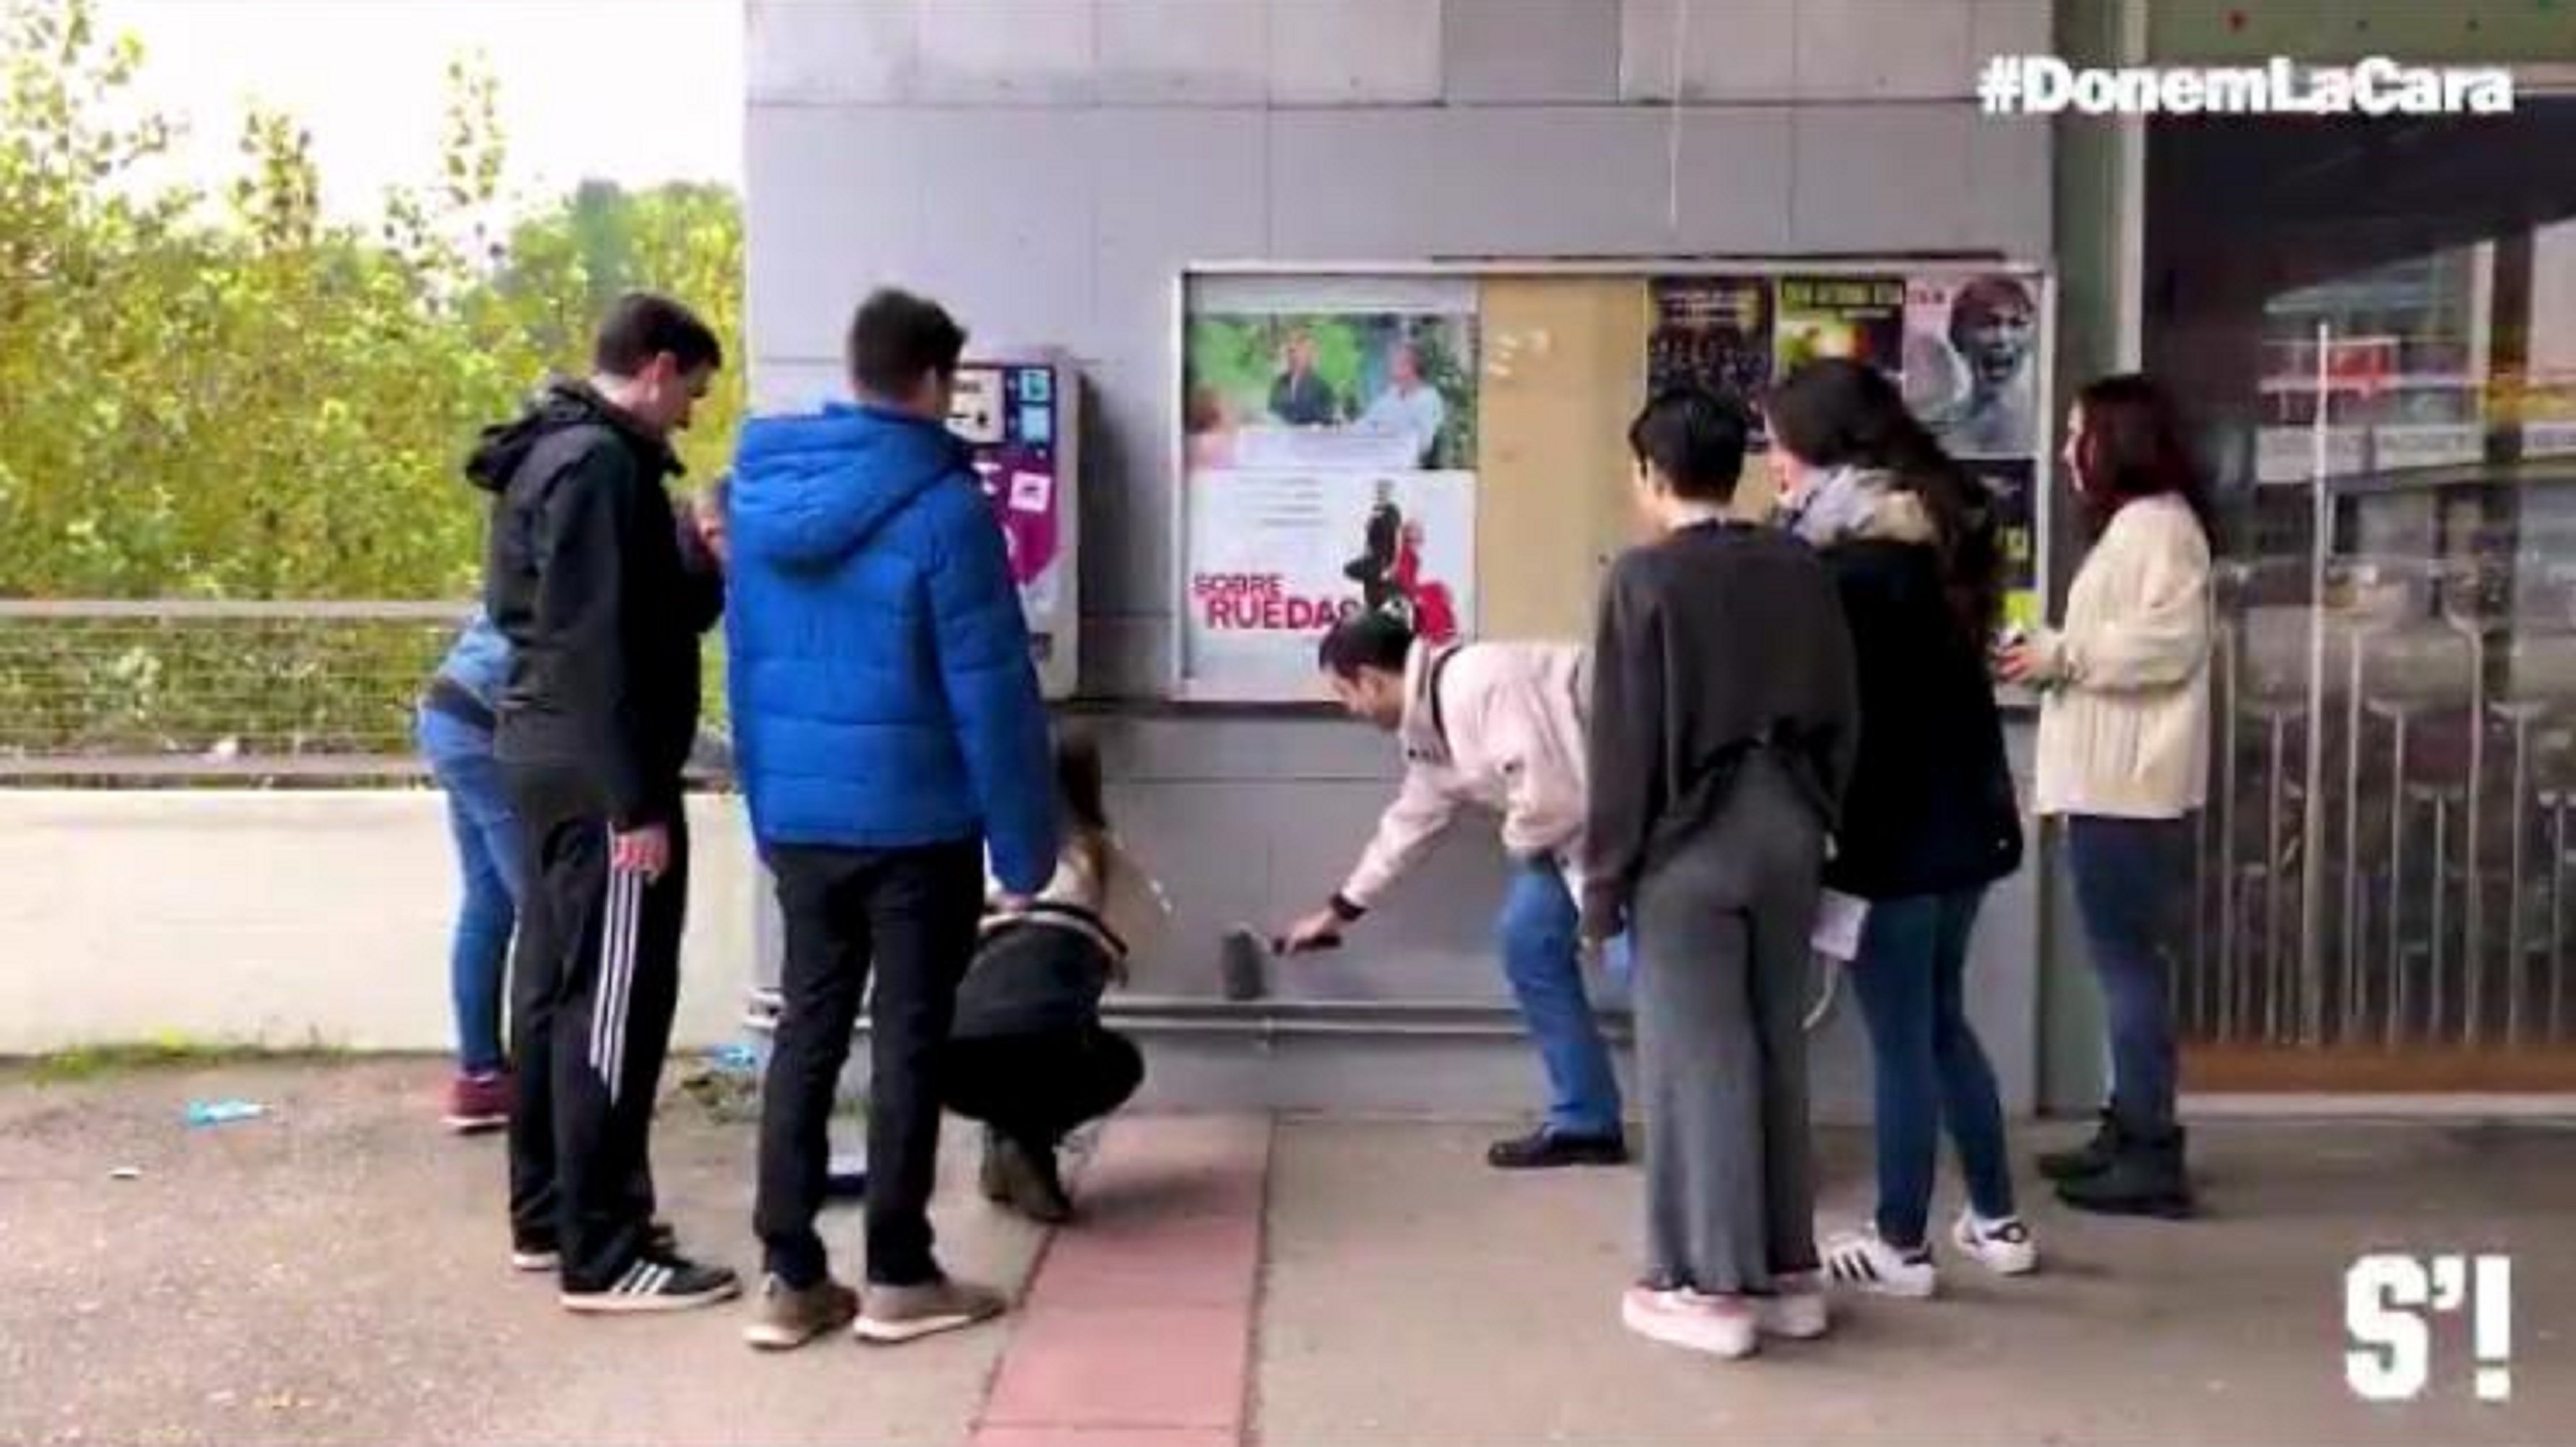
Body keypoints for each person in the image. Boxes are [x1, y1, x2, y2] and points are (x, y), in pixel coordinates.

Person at [729, 287, 1057, 1351]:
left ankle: (787, 1277)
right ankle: (899, 1275)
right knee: (909, 1045)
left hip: (803, 824)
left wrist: (771, 807)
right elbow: (992, 690)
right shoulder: (945, 508)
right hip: (916, 829)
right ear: (935, 382)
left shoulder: (762, 498)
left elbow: (745, 669)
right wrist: (1026, 847)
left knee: (807, 1034)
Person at [473, 292, 733, 1313]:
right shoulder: (601, 467)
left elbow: (586, 614)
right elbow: (598, 641)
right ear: (660, 368)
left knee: (550, 988)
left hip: (541, 755)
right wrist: (637, 805)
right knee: (613, 1004)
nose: (691, 418)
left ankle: (550, 1214)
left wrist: (694, 570)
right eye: (694, 395)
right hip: (600, 771)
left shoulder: (547, 453)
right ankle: (607, 1246)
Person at [1585, 386, 1858, 1361]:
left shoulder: (1642, 581)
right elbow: (1842, 707)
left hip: (1686, 842)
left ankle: (1706, 1284)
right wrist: (1819, 813)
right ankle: (1789, 1272)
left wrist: (1603, 884)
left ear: (1654, 475)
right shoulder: (1797, 566)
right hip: (1790, 823)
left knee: (1697, 1057)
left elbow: (1623, 746)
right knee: (1777, 1042)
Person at [1763, 358, 2036, 1298]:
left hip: (1893, 842)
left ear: (1818, 450)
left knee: (1901, 1040)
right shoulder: (1941, 533)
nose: (1773, 467)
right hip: (1967, 830)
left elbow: (1836, 718)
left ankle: (1900, 1243)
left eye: (1778, 446)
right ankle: (1997, 1221)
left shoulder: (1849, 567)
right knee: (1942, 1021)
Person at [1279, 611, 1623, 1171]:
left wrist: (1524, 847)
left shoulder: (1479, 681)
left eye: (1346, 693)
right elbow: (1412, 822)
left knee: (1644, 969)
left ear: (1371, 679)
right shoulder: (1428, 722)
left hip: (1630, 826)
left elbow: (1553, 800)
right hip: (1575, 838)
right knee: (1529, 942)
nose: (1350, 709)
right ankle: (1586, 1122)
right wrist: (1341, 910)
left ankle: (1704, 1128)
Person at [2000, 373, 2213, 1220]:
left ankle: (2150, 1149)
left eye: (2076, 431)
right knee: (2120, 968)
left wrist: (2062, 654)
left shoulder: (2156, 526)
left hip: (2128, 791)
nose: (2064, 450)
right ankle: (2127, 1129)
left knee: (2127, 971)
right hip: (2112, 785)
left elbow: (2167, 643)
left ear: (2115, 440)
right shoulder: (2141, 526)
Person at [943, 731, 1164, 1225]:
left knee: (1003, 1040)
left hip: (945, 1061)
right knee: (1114, 1060)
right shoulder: (1098, 855)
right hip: (1052, 1052)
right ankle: (1026, 1145)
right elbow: (1150, 932)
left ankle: (1009, 1145)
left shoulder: (966, 843)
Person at [416, 607, 522, 1134]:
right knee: (545, 911)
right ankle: (559, 1076)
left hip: (448, 714)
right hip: (487, 730)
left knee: (489, 905)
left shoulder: (531, 543)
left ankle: (481, 1078)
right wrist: (738, 760)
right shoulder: (606, 570)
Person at [1358, 341, 1448, 466]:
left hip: (1412, 468)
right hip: (1383, 461)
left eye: (1396, 363)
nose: (1391, 366)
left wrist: (1388, 437)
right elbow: (1364, 424)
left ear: (1410, 367)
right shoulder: (1390, 396)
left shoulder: (1428, 398)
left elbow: (1424, 444)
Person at [1270, 328, 1339, 427]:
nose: (1293, 356)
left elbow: (1330, 419)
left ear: (1310, 355)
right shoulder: (1279, 384)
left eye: (1299, 351)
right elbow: (1272, 414)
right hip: (1283, 439)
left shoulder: (1322, 386)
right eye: (1290, 351)